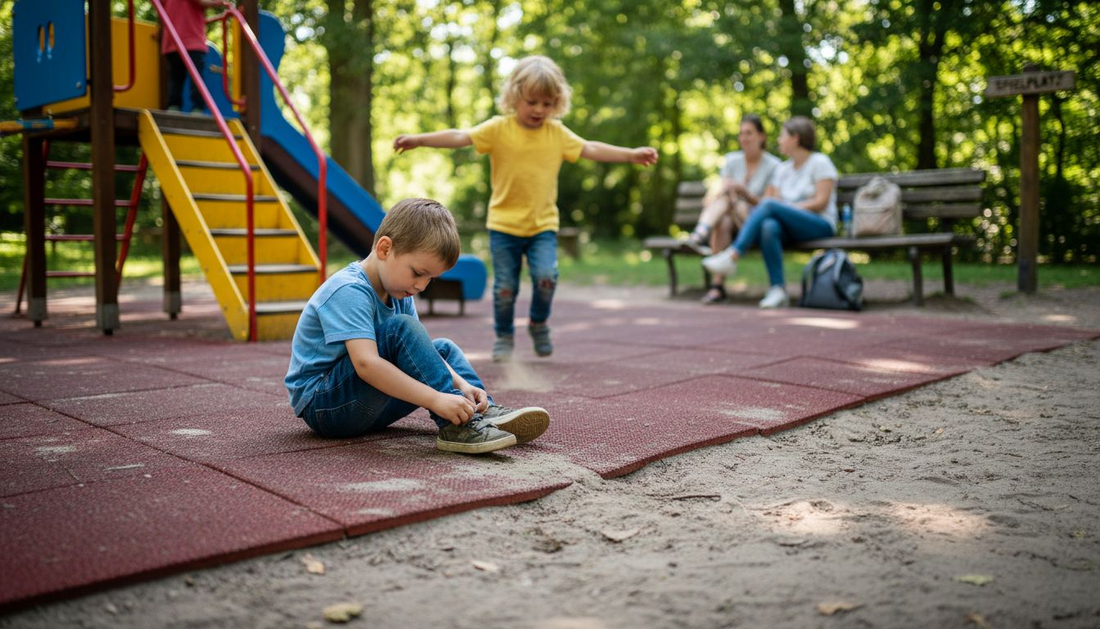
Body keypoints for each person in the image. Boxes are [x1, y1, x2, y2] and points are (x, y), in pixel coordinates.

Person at [393, 55, 658, 362]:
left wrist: (631, 155)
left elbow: (589, 148)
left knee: (546, 276)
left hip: (542, 225)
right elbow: (460, 136)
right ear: (515, 97)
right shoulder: (498, 129)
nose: (539, 110)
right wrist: (418, 140)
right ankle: (504, 335)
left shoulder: (556, 133)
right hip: (504, 226)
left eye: (547, 104)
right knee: (505, 287)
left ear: (556, 103)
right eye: (532, 102)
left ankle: (538, 322)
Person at [284, 198, 550, 455]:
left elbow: (423, 356)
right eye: (418, 273)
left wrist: (461, 385)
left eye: (430, 279)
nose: (421, 286)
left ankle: (479, 409)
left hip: (367, 404)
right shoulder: (349, 290)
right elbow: (366, 365)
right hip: (325, 406)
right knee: (402, 329)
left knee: (442, 348)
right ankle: (457, 426)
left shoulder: (400, 291)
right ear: (385, 249)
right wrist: (436, 400)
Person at [701, 116, 839, 309]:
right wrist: (781, 209)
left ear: (796, 138)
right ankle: (778, 290)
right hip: (790, 226)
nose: (779, 140)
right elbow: (775, 202)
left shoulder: (820, 162)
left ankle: (733, 254)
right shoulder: (783, 169)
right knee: (768, 226)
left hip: (819, 223)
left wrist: (787, 209)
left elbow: (821, 202)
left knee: (769, 205)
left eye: (783, 135)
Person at [682, 114, 781, 304]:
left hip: (752, 221)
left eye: (749, 133)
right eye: (741, 134)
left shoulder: (774, 165)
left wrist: (744, 193)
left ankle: (698, 235)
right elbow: (709, 200)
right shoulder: (731, 161)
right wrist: (725, 191)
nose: (743, 138)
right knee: (723, 218)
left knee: (730, 203)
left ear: (762, 136)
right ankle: (717, 287)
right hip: (728, 219)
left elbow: (769, 204)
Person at [160, 0, 219, 115]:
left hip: (172, 41)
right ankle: (197, 107)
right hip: (192, 40)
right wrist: (220, 2)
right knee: (195, 77)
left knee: (176, 77)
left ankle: (174, 106)